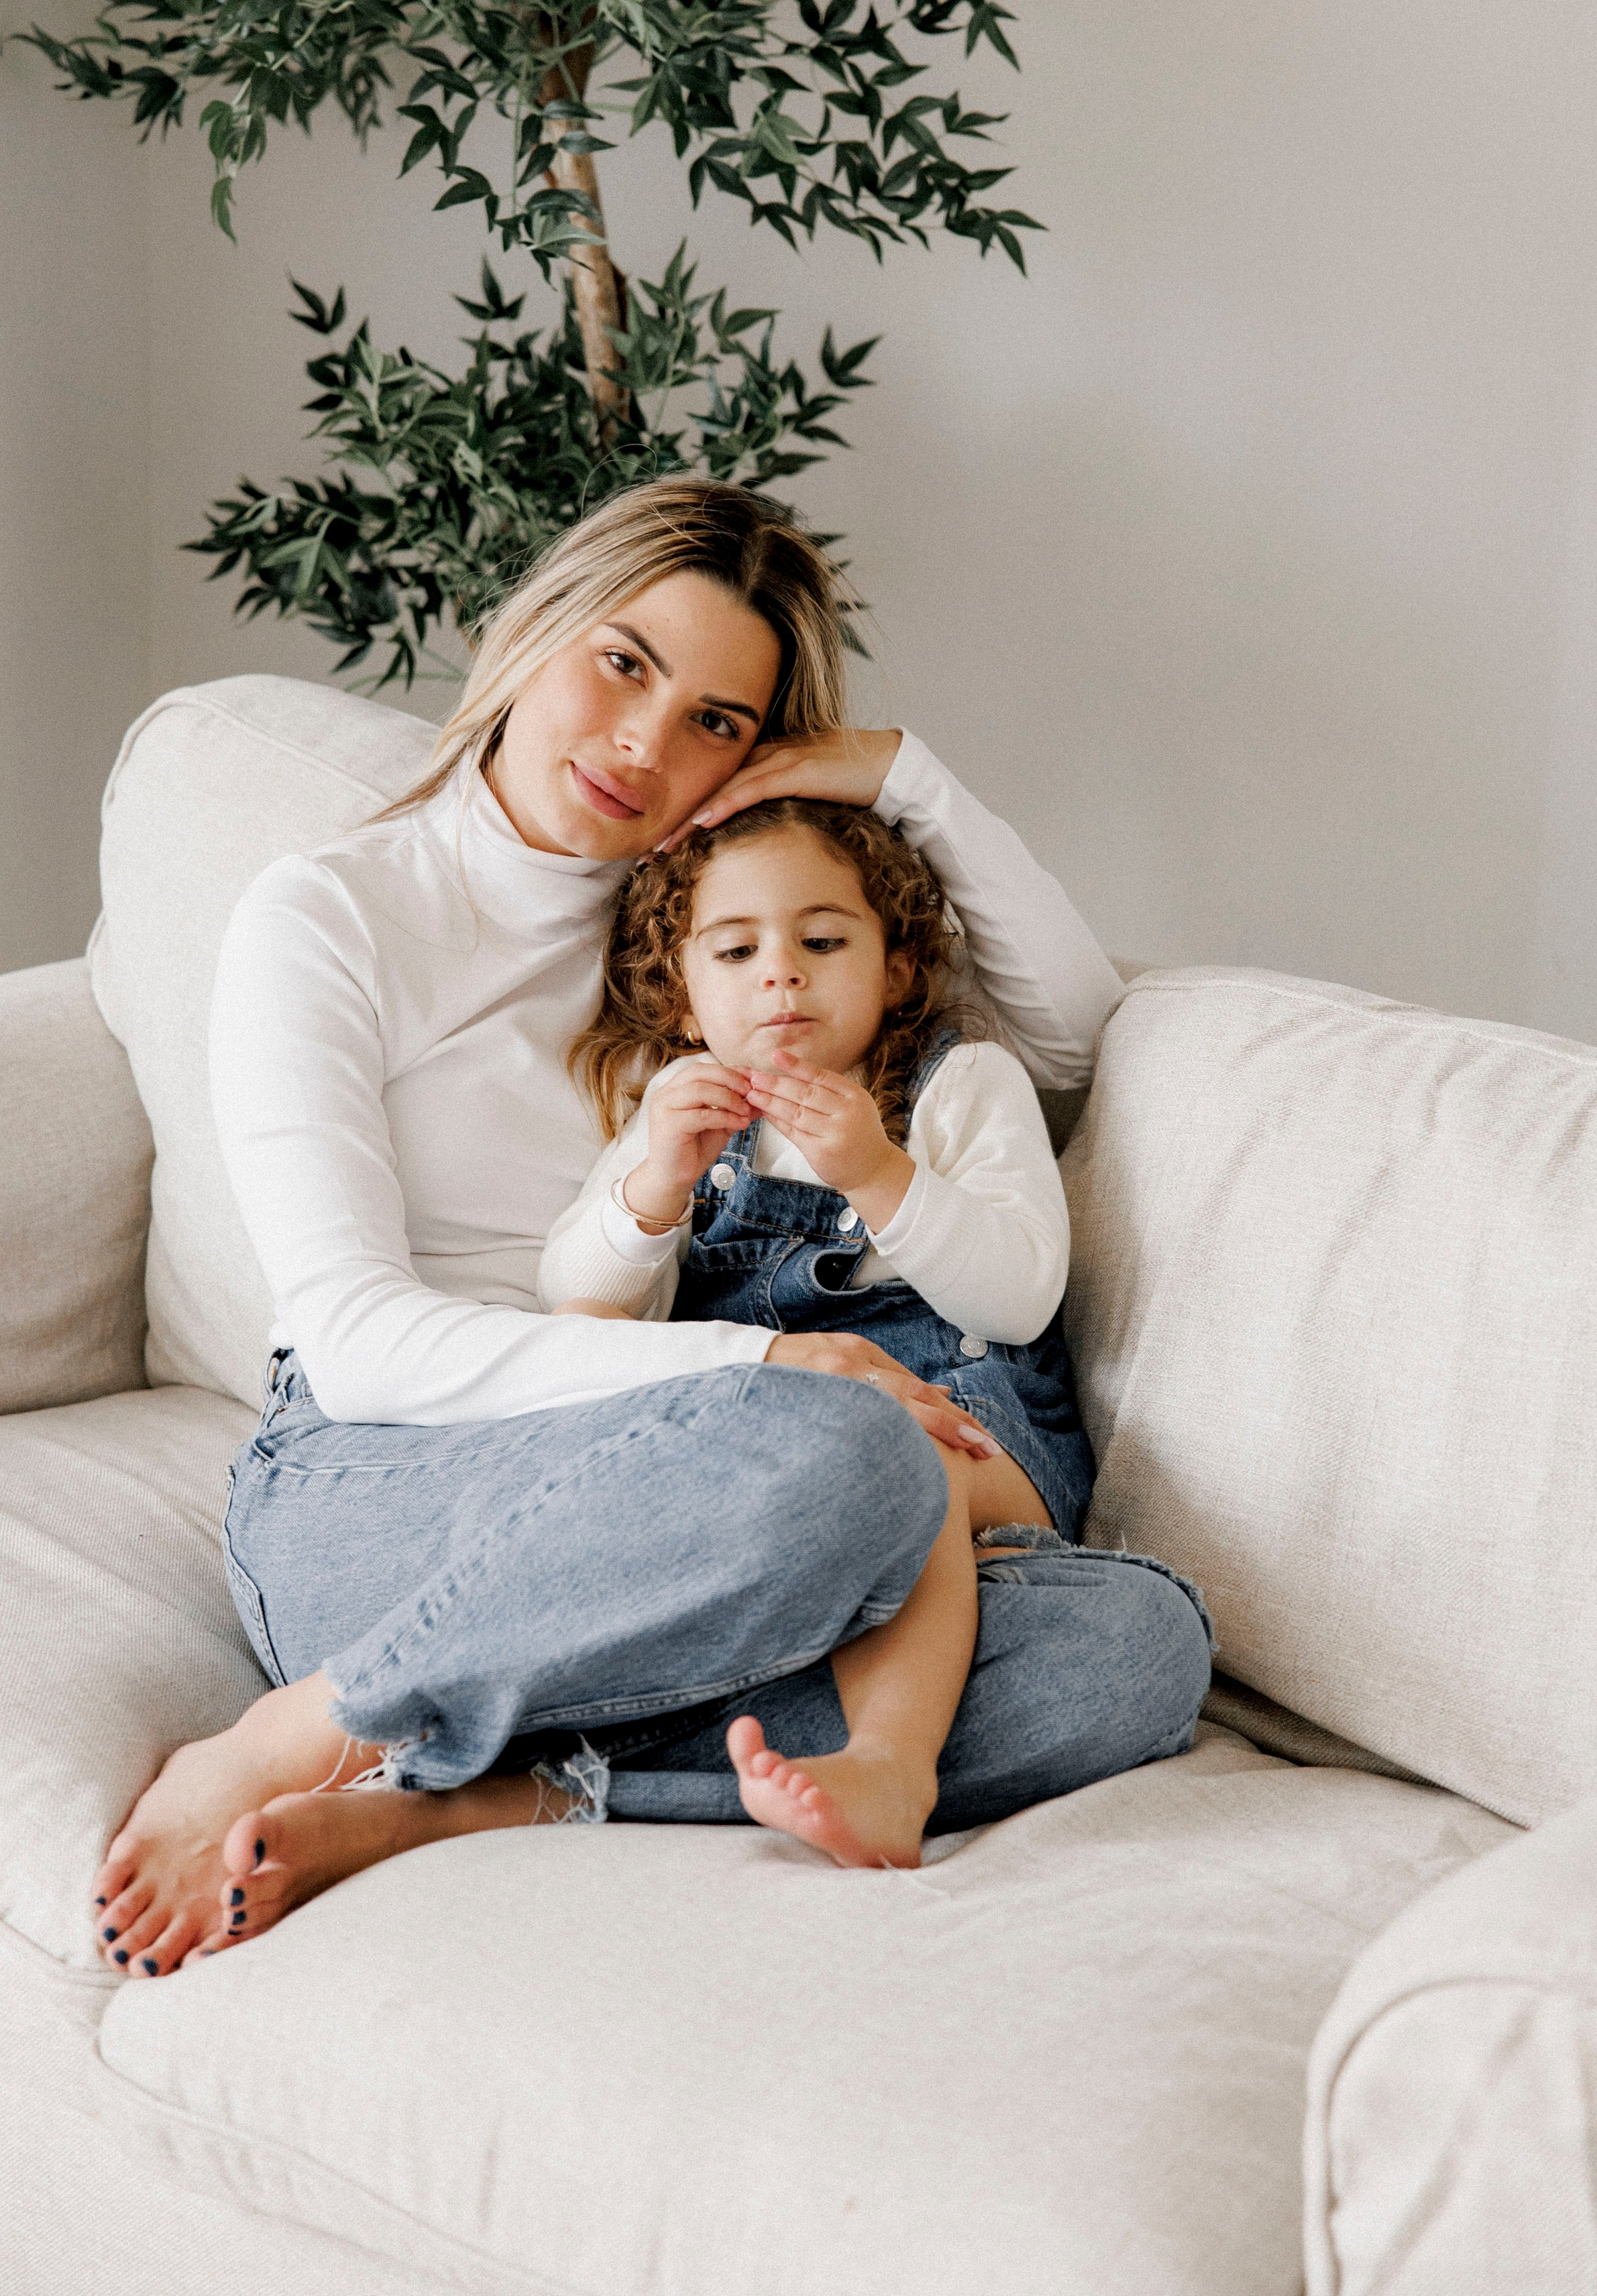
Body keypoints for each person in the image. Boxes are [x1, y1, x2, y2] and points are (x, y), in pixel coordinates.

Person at [87, 477, 1212, 1979]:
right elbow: (357, 1346)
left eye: (717, 722)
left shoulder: (722, 928)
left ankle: (508, 1791)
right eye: (622, 663)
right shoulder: (330, 915)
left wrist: (898, 776)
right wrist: (764, 1371)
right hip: (386, 1492)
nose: (644, 745)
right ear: (533, 630)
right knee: (853, 1456)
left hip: (692, 1504)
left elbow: (1075, 1039)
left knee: (1134, 1652)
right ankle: (310, 1726)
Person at [541, 795, 1159, 1867]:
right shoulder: (680, 1106)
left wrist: (880, 1173)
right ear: (683, 994)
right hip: (776, 1442)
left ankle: (890, 1762)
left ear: (898, 967)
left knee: (907, 1458)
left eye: (823, 940)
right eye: (737, 949)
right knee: (604, 1396)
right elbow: (574, 1297)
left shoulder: (956, 1085)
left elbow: (1020, 1294)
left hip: (970, 1431)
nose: (782, 971)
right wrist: (653, 1188)